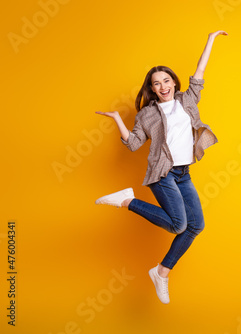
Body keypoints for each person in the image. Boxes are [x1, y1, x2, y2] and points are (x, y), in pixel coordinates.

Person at [94, 30, 228, 304]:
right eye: (157, 83)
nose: (163, 86)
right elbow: (132, 144)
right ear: (151, 89)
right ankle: (127, 201)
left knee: (195, 226)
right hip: (162, 175)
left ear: (173, 82)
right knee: (179, 224)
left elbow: (200, 71)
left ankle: (161, 272)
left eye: (167, 80)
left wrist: (211, 39)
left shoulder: (187, 99)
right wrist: (118, 119)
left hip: (183, 174)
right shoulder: (147, 115)